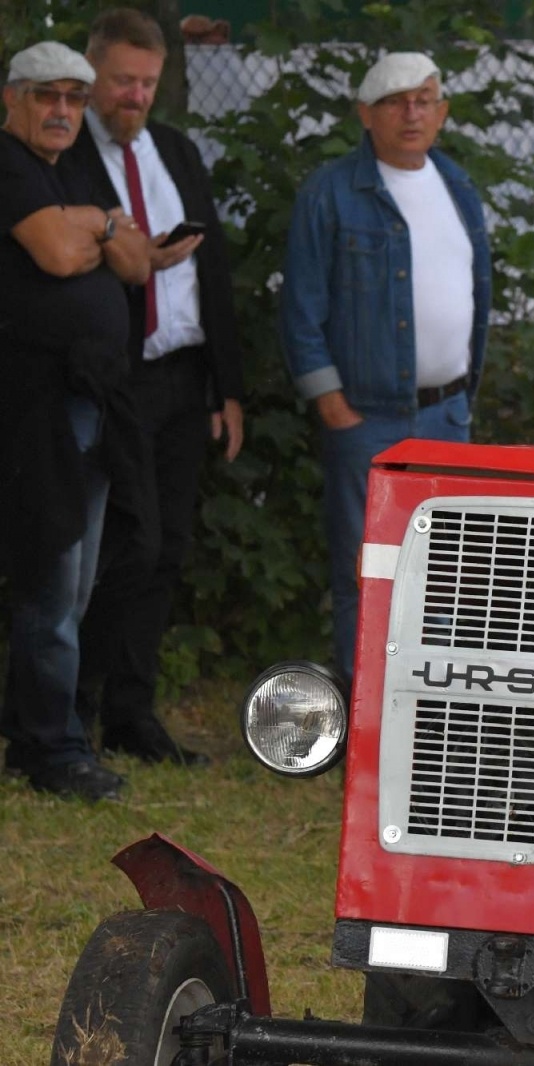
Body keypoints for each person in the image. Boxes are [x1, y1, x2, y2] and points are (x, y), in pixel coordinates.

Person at [68, 7, 245, 767]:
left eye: (147, 82)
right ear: (91, 75)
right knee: (115, 544)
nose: (135, 96)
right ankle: (67, 707)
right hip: (114, 377)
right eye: (121, 81)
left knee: (167, 545)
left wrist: (226, 387)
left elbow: (216, 271)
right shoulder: (67, 158)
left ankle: (131, 713)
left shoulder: (175, 149)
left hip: (184, 373)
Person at [280, 52, 491, 683]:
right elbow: (300, 306)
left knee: (449, 575)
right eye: (396, 101)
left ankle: (431, 714)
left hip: (447, 413)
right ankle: (365, 711)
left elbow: (476, 291)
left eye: (425, 99)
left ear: (443, 111)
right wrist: (330, 401)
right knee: (366, 569)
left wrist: (465, 395)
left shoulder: (456, 184)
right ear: (365, 114)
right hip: (367, 417)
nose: (412, 112)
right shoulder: (332, 191)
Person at [0, 41, 151, 801]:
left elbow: (137, 262)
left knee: (80, 581)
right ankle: (52, 750)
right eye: (45, 95)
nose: (62, 111)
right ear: (12, 100)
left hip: (96, 402)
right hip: (36, 407)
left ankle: (35, 727)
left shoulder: (71, 171)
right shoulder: (9, 164)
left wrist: (89, 223)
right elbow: (62, 255)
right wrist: (97, 224)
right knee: (51, 583)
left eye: (74, 98)